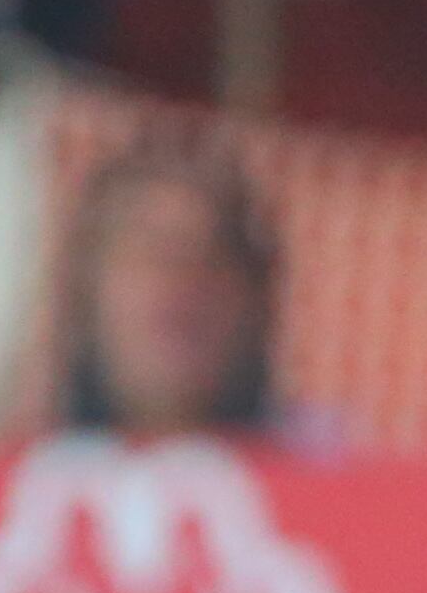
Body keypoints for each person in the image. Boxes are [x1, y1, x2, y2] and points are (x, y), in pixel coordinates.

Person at [58, 126, 275, 436]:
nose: (180, 278)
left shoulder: (330, 470)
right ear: (85, 294)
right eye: (147, 249)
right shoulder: (11, 471)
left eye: (213, 252)